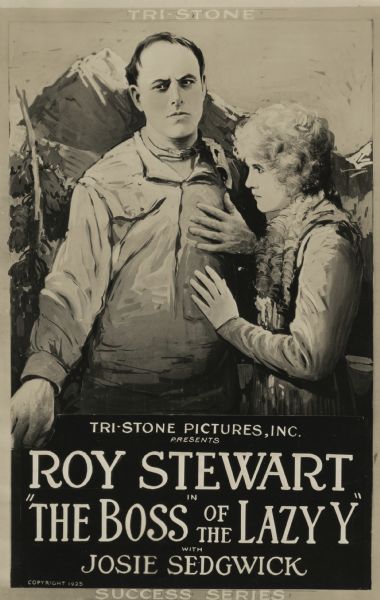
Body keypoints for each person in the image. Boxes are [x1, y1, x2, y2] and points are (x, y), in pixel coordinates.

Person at [11, 32, 258, 447]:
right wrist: (43, 376)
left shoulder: (231, 171)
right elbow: (72, 286)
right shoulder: (103, 182)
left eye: (187, 82)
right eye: (161, 86)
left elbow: (277, 265)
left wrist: (250, 245)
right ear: (137, 97)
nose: (176, 97)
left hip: (217, 400)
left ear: (203, 86)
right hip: (118, 399)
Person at [191, 103, 363, 415]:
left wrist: (230, 325)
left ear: (293, 168)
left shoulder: (330, 240)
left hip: (312, 419)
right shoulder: (292, 227)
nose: (250, 183)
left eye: (258, 169)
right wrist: (252, 248)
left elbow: (309, 359)